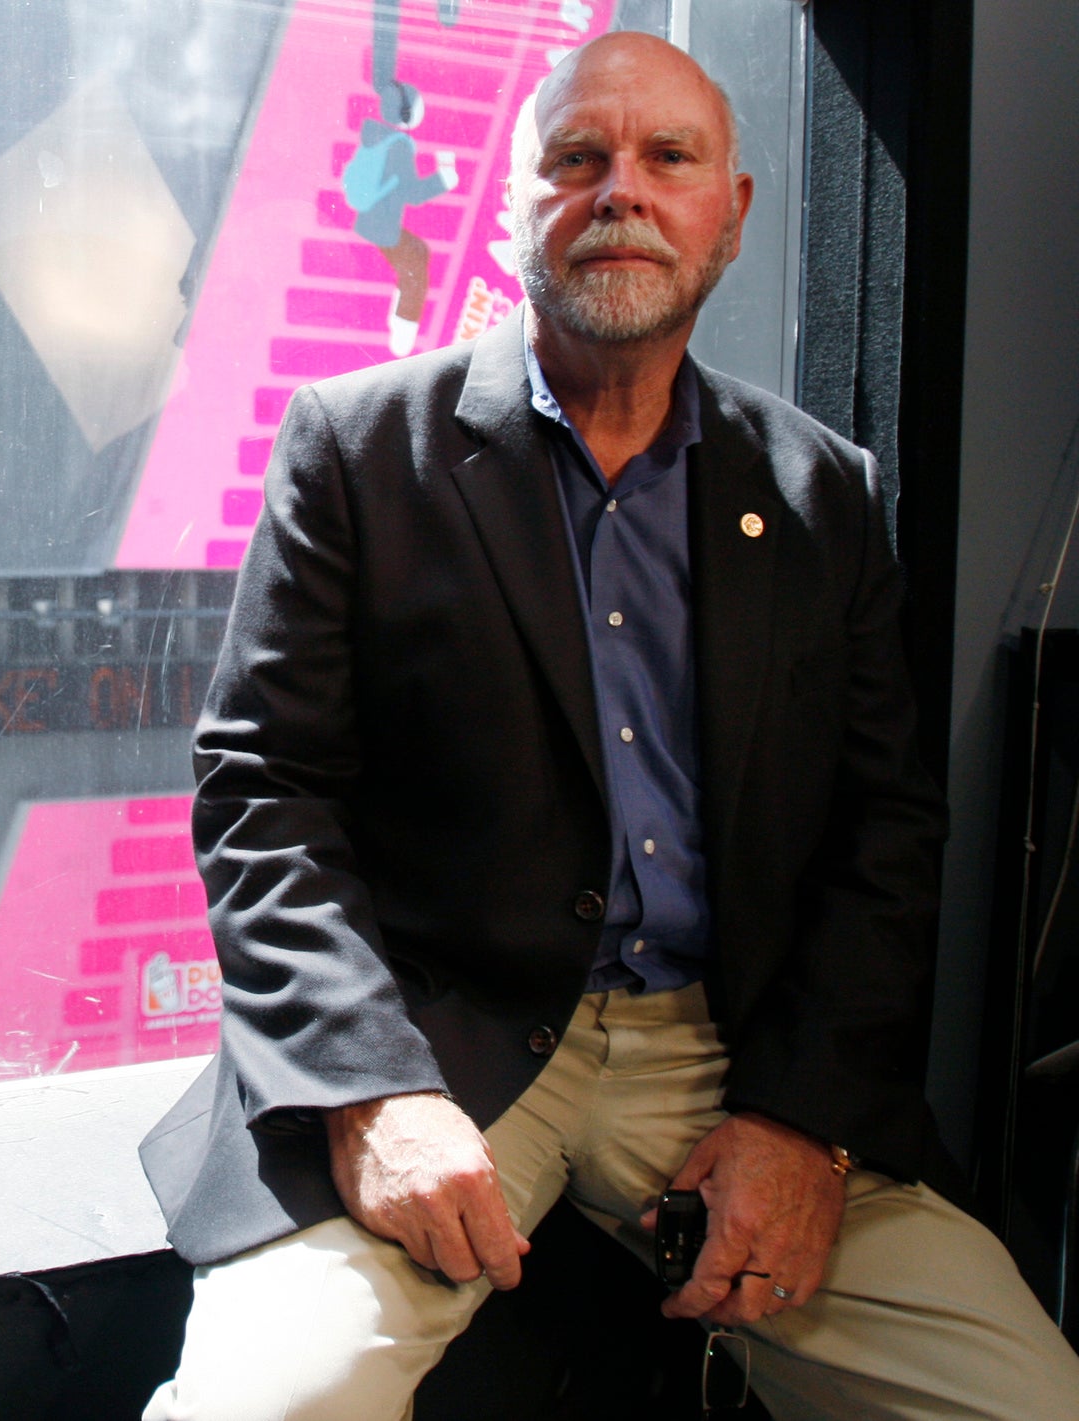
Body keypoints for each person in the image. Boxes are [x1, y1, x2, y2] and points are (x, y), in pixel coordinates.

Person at [140, 32, 1079, 1420]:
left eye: (667, 159)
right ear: (518, 198)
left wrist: (801, 1126)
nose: (618, 192)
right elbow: (264, 792)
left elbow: (885, 832)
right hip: (435, 1043)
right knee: (274, 1401)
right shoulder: (357, 447)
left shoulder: (822, 493)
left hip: (725, 1054)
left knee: (1026, 1395)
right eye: (576, 159)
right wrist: (365, 1094)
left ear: (736, 213)